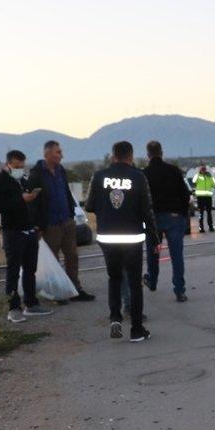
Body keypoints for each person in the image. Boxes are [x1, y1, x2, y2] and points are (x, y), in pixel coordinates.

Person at [86, 141, 160, 342]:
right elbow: (147, 210)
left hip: (107, 237)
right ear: (130, 156)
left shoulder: (99, 177)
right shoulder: (138, 176)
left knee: (114, 278)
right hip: (131, 238)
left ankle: (115, 318)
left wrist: (107, 210)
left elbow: (90, 205)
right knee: (135, 284)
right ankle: (136, 329)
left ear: (113, 156)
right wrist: (155, 238)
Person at [27, 140, 95, 302]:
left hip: (66, 221)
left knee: (72, 256)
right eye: (58, 152)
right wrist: (38, 225)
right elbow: (34, 203)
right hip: (51, 224)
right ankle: (58, 291)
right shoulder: (36, 174)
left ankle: (75, 289)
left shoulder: (60, 170)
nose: (61, 155)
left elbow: (65, 192)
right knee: (53, 259)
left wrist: (71, 214)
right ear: (47, 154)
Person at [0, 150, 54, 323]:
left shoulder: (23, 180)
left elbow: (33, 205)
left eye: (22, 165)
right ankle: (13, 308)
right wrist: (21, 199)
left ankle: (31, 303)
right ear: (8, 164)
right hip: (13, 232)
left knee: (30, 269)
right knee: (13, 271)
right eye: (17, 166)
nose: (20, 168)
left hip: (29, 231)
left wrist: (37, 225)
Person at [143, 140, 190, 302]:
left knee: (153, 252)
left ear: (148, 155)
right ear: (162, 153)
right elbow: (185, 195)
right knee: (177, 255)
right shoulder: (174, 171)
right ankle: (179, 290)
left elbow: (141, 200)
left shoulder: (144, 174)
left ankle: (152, 280)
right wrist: (182, 214)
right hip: (174, 219)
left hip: (153, 220)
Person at [191, 165, 215, 232]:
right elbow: (193, 181)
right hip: (200, 197)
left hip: (208, 197)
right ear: (200, 170)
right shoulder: (198, 176)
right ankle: (201, 228)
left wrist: (211, 177)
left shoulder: (209, 177)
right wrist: (197, 174)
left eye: (204, 169)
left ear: (206, 170)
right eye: (202, 169)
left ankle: (211, 227)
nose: (203, 171)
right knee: (201, 213)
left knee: (209, 213)